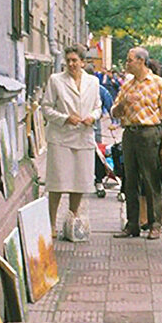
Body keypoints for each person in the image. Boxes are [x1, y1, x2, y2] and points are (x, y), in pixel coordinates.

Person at [40, 44, 103, 239]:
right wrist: (65, 118)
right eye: (68, 60)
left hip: (84, 137)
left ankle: (72, 221)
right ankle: (51, 223)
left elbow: (98, 106)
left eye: (75, 60)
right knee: (58, 182)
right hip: (61, 137)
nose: (71, 64)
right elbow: (46, 108)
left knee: (79, 182)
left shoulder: (92, 82)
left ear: (83, 62)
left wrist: (92, 117)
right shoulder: (56, 80)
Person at [110, 47, 162, 240]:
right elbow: (114, 112)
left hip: (149, 133)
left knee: (151, 179)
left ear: (141, 61)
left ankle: (155, 223)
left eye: (129, 60)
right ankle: (132, 224)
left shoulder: (158, 83)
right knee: (130, 180)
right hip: (130, 133)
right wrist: (123, 103)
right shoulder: (127, 85)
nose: (126, 64)